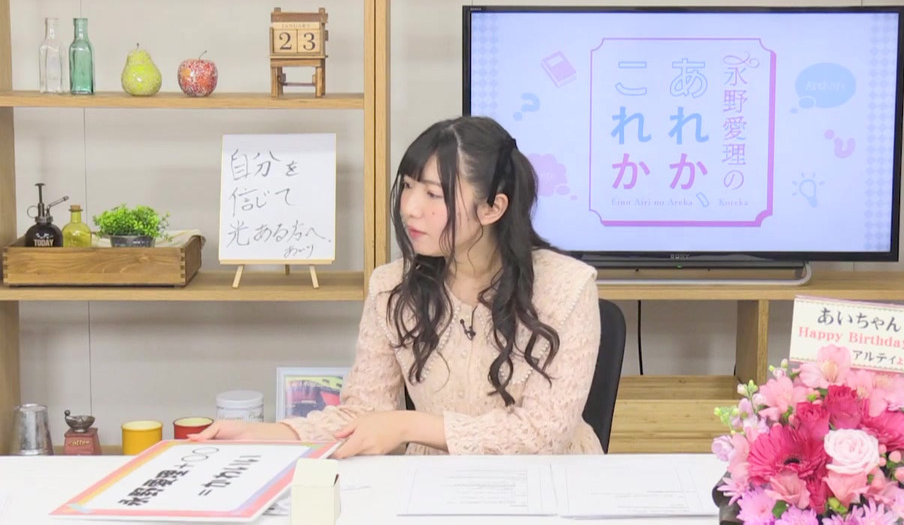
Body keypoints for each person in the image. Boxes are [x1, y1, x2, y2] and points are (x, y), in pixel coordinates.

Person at [191, 116, 603, 457]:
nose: (410, 208)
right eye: (407, 186)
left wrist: (408, 425)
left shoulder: (568, 288)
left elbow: (542, 434)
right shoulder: (392, 288)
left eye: (433, 194)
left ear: (493, 207)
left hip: (550, 488)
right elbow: (366, 412)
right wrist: (270, 434)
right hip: (433, 488)